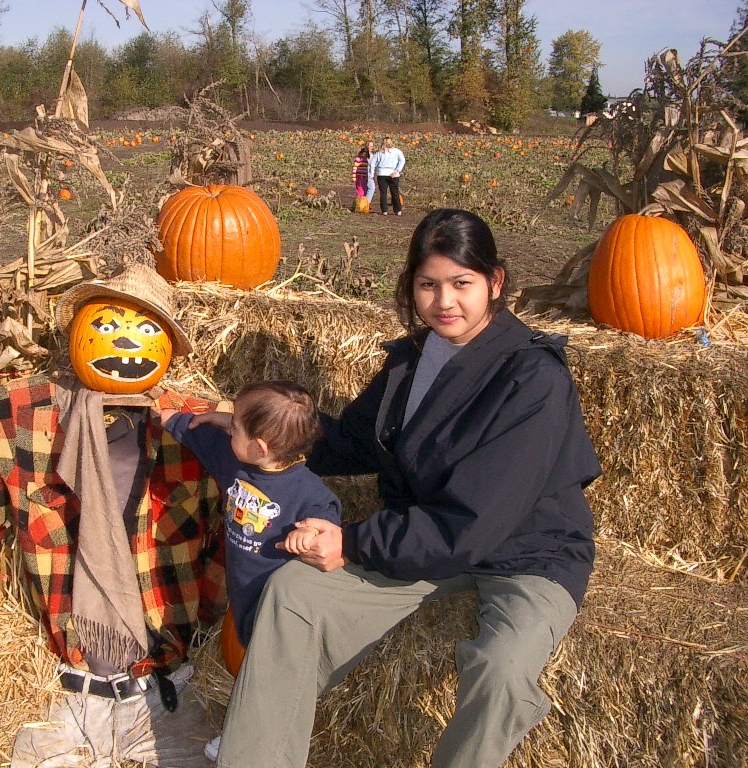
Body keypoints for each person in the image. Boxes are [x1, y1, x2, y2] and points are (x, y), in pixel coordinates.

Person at [213, 209, 601, 768]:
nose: (445, 302)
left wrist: (352, 542)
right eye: (428, 285)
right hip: (426, 536)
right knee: (294, 593)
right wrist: (257, 429)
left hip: (527, 552)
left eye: (461, 283)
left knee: (503, 668)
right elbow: (351, 441)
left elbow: (473, 521)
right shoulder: (417, 358)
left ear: (495, 281)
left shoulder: (533, 378)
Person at [0, 261, 228, 768]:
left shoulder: (203, 431)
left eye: (145, 331)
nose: (127, 342)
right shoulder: (10, 421)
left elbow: (236, 543)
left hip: (168, 689)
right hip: (61, 692)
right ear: (77, 333)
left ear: (167, 346)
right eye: (107, 325)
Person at [156, 380, 341, 762]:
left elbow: (328, 519)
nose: (229, 429)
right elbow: (197, 435)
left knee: (267, 674)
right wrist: (169, 417)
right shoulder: (237, 459)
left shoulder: (305, 490)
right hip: (243, 592)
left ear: (260, 447)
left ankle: (247, 737)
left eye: (235, 426)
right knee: (245, 657)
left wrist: (308, 533)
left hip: (277, 605)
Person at [374, 135, 405, 215]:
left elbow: (373, 163)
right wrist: (397, 170)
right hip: (393, 174)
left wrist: (373, 172)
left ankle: (384, 210)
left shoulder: (379, 152)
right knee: (394, 192)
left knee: (383, 193)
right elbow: (402, 161)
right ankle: (397, 210)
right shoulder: (397, 151)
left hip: (382, 174)